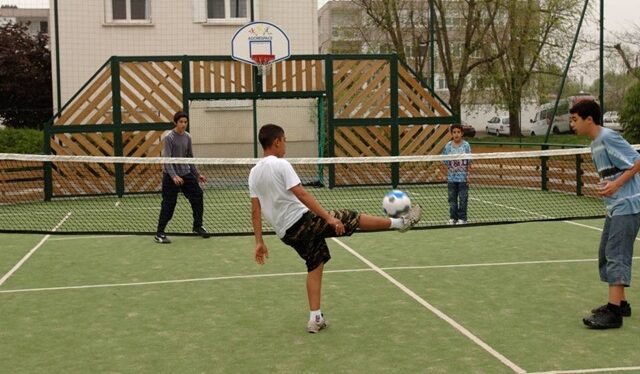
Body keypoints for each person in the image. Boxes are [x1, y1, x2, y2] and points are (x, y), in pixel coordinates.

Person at [248, 124, 422, 333]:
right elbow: (302, 194)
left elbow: (255, 211)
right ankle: (401, 223)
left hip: (286, 233)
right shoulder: (281, 165)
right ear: (276, 142)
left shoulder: (253, 173)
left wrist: (259, 241)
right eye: (284, 140)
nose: (285, 144)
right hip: (302, 222)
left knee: (316, 261)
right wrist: (329, 219)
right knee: (351, 217)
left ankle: (315, 318)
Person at [570, 100, 640, 329]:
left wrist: (616, 185)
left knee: (615, 253)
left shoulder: (608, 137)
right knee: (605, 253)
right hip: (614, 206)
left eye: (575, 119)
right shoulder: (595, 143)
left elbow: (637, 161)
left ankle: (614, 314)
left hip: (627, 205)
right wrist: (607, 185)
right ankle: (620, 303)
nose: (572, 124)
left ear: (588, 119)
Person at [154, 111, 210, 244]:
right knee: (169, 205)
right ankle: (160, 233)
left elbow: (189, 157)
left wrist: (197, 174)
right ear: (175, 122)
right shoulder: (169, 137)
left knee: (198, 195)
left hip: (186, 174)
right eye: (181, 122)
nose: (183, 124)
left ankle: (197, 226)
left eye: (185, 122)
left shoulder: (188, 137)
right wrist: (173, 176)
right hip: (170, 177)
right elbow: (167, 159)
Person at [440, 123, 472, 225]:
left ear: (462, 133)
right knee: (452, 200)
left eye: (458, 132)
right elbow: (444, 162)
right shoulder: (448, 146)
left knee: (463, 199)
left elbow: (469, 162)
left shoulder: (466, 146)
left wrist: (468, 176)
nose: (456, 134)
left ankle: (462, 218)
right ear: (451, 134)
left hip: (463, 179)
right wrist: (443, 174)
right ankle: (453, 218)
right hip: (451, 179)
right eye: (454, 132)